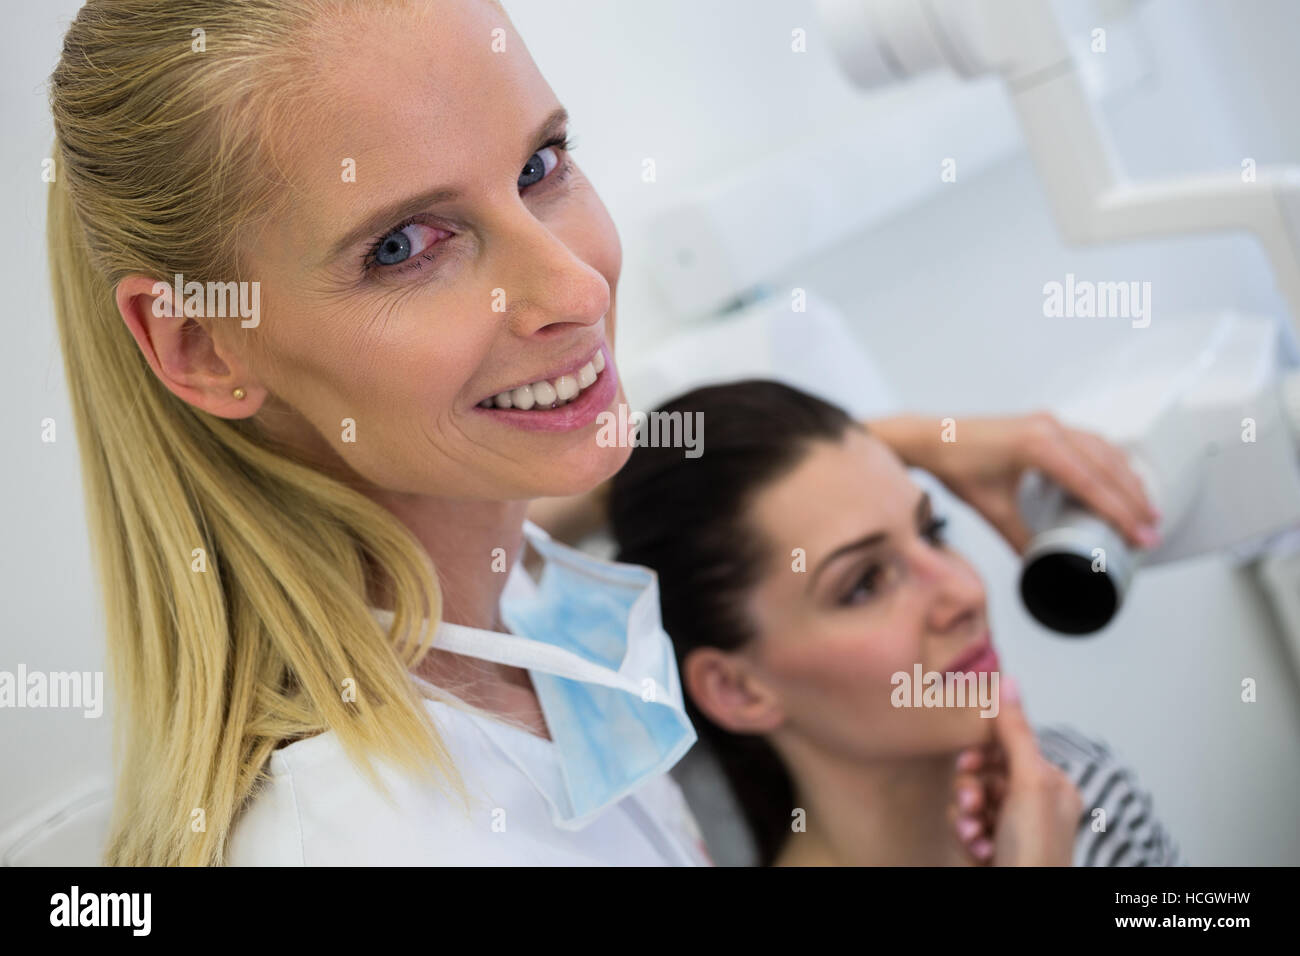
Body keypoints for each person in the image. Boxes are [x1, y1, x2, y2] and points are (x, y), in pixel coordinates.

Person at [45, 0, 1160, 866]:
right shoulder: (387, 840)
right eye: (406, 245)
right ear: (202, 346)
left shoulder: (495, 587)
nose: (572, 282)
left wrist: (906, 443)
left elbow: (623, 437)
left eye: (540, 165)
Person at [608, 380, 1182, 866]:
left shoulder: (1079, 798)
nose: (963, 592)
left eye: (933, 532)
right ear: (737, 689)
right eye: (863, 584)